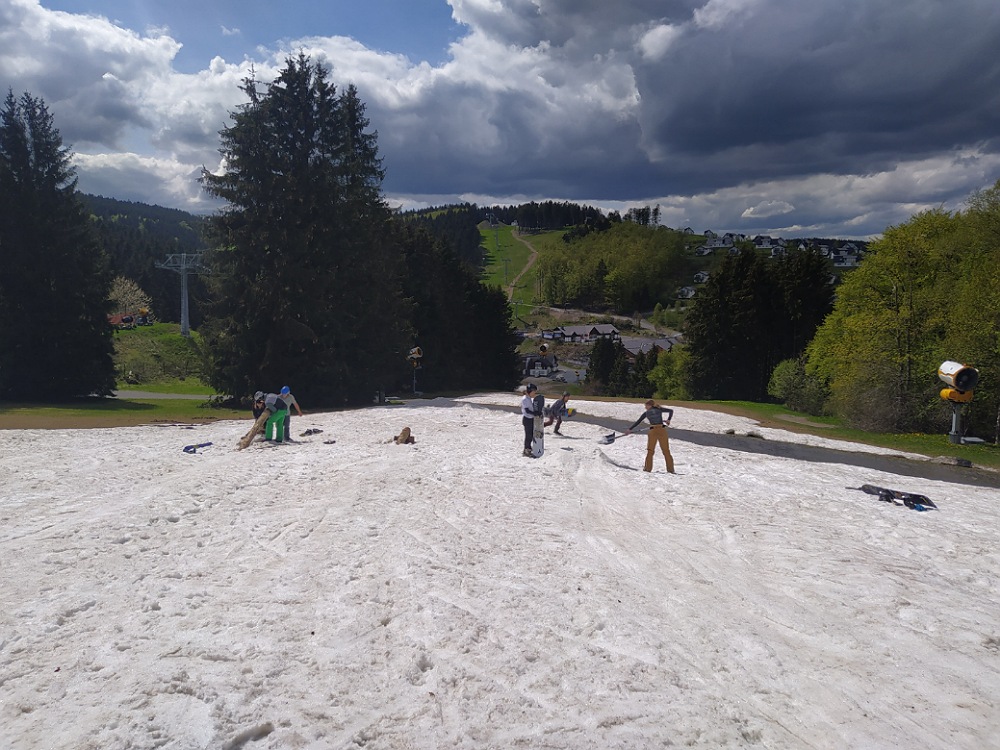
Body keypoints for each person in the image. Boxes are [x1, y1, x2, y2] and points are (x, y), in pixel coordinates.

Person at [626, 399, 676, 473]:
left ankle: (647, 469)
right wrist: (668, 420)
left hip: (653, 431)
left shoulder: (646, 413)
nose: (645, 407)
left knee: (650, 450)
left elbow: (638, 421)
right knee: (666, 450)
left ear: (649, 405)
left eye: (646, 405)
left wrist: (629, 429)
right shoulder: (659, 409)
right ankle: (671, 469)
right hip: (662, 430)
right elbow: (671, 411)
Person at [520, 383, 539, 457]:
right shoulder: (525, 399)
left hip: (530, 419)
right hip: (527, 419)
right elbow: (527, 410)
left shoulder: (528, 398)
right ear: (530, 391)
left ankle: (529, 448)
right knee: (528, 435)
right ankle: (526, 450)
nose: (534, 393)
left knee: (531, 435)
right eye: (534, 392)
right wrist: (535, 413)